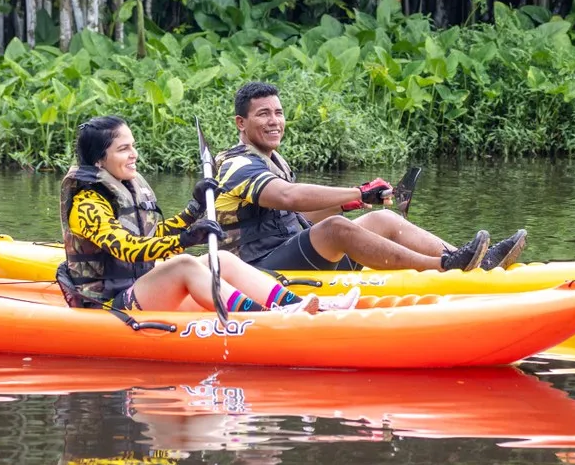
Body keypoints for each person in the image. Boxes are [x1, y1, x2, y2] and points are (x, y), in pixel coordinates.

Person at [202, 81, 528, 273]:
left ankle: (476, 262)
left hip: (288, 252)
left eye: (278, 112)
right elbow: (289, 197)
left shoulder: (273, 159)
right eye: (263, 114)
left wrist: (355, 202)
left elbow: (296, 218)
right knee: (335, 229)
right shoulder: (236, 164)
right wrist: (356, 191)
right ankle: (444, 266)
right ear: (241, 123)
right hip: (255, 269)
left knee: (382, 219)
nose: (275, 121)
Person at [59, 115, 347, 314]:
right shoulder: (87, 205)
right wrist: (185, 241)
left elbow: (153, 235)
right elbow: (128, 248)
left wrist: (194, 210)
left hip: (137, 288)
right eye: (124, 149)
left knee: (221, 258)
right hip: (106, 305)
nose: (134, 154)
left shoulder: (124, 187)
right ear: (99, 160)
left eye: (133, 146)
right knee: (184, 264)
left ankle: (299, 305)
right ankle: (262, 317)